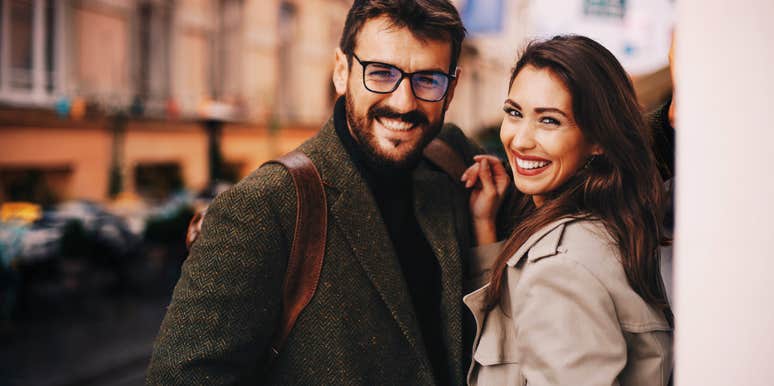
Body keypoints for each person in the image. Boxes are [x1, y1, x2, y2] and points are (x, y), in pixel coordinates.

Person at [147, 1, 489, 384]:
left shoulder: (453, 160)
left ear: (452, 87)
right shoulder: (263, 208)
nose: (403, 102)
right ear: (341, 72)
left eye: (428, 79)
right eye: (380, 73)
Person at [460, 35, 673, 385]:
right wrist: (485, 226)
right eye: (514, 113)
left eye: (549, 121)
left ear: (598, 140)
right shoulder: (608, 224)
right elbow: (515, 336)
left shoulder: (561, 269)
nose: (520, 139)